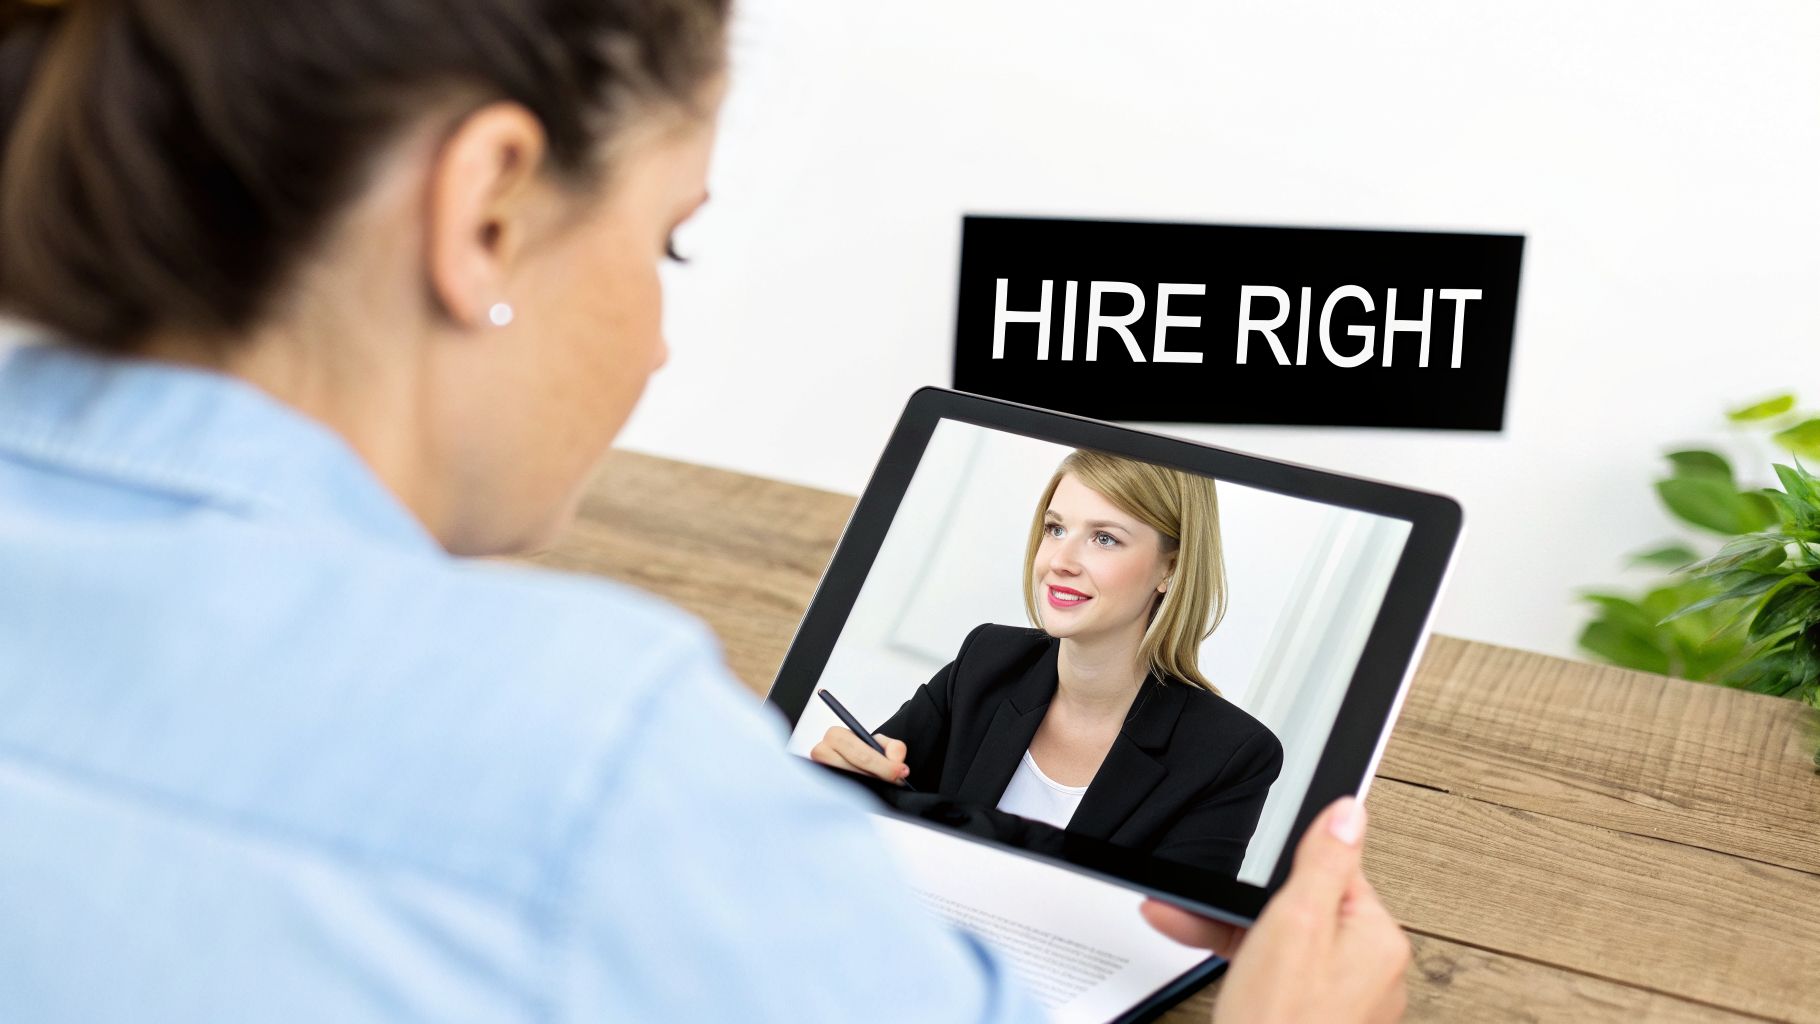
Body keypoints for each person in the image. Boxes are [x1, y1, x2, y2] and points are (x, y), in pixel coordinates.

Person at [0, 0, 1409, 1020]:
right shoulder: (588, 752)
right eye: (668, 237)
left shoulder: (1222, 744)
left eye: (1105, 533)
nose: (661, 344)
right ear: (487, 207)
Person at [811, 449, 1283, 874]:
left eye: (1104, 539)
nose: (1060, 559)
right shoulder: (987, 661)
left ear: (1170, 569)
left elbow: (1174, 941)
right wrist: (845, 780)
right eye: (1056, 528)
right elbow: (862, 821)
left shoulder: (1231, 756)